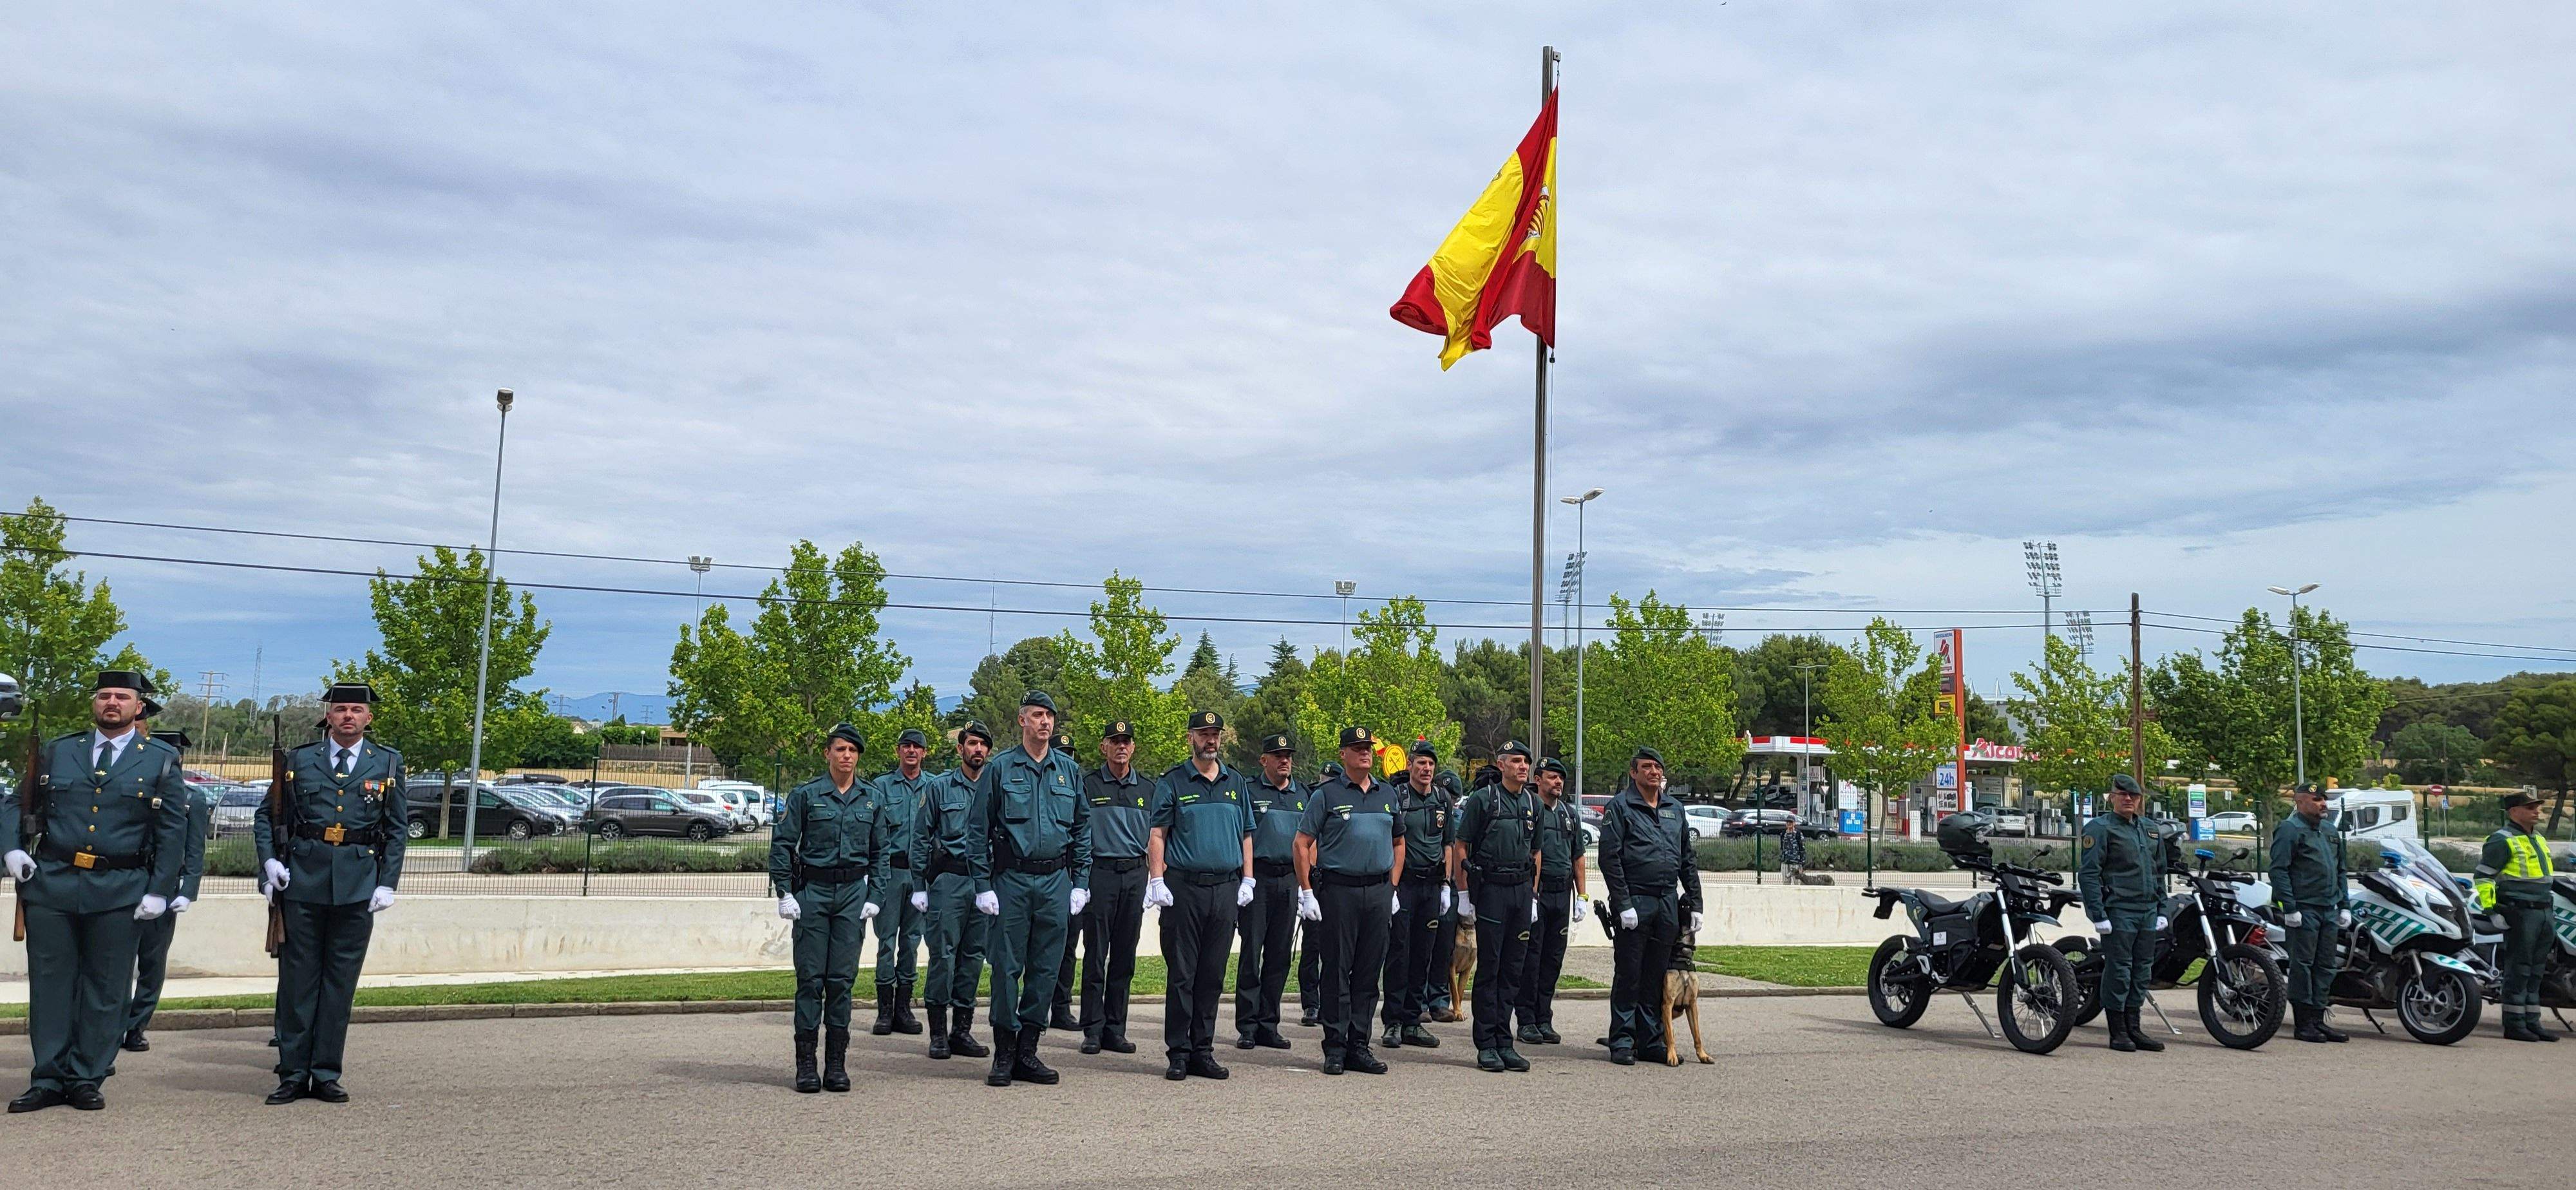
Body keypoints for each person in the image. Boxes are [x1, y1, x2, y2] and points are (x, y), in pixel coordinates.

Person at [3, 670, 189, 1113]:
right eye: (105, 695)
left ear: (138, 707)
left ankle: (86, 1076)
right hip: (53, 883)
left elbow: (172, 830)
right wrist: (12, 849)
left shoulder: (160, 759)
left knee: (106, 988)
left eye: (122, 697)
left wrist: (160, 890)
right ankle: (48, 1078)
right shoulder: (59, 751)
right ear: (95, 703)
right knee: (50, 986)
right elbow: (16, 801)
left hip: (120, 889)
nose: (112, 703)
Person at [254, 681, 408, 1104]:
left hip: (357, 887)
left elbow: (396, 829)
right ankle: (292, 1074)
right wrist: (269, 864)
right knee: (297, 985)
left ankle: (325, 1074)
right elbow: (266, 816)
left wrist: (387, 882)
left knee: (339, 985)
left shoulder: (387, 762)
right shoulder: (299, 760)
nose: (348, 716)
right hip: (303, 883)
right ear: (328, 716)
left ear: (368, 718)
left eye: (356, 710)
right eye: (341, 709)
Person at [965, 691, 1091, 1086]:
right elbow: (977, 830)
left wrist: (1081, 882)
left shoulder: (1068, 771)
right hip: (1012, 881)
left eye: (1050, 716)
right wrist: (983, 885)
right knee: (1006, 967)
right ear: (1022, 720)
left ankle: (1028, 1052)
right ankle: (1004, 1052)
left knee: (1046, 969)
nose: (1045, 722)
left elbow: (1082, 829)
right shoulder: (1001, 768)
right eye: (1037, 715)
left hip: (1055, 882)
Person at [771, 722, 889, 1093]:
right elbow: (783, 844)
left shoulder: (872, 799)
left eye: (853, 751)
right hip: (814, 892)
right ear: (827, 754)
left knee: (841, 982)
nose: (847, 756)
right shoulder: (806, 795)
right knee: (810, 981)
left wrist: (876, 896)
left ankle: (836, 1065)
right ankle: (806, 1065)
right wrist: (785, 892)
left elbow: (881, 853)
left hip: (853, 895)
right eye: (840, 749)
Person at [1146, 710, 1255, 1079]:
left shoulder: (1235, 781)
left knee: (1212, 974)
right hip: (1185, 889)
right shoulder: (1174, 781)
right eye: (1204, 733)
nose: (1211, 740)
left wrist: (1248, 879)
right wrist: (1156, 879)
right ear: (1190, 737)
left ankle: (1203, 1051)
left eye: (1216, 734)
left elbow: (1246, 834)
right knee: (1183, 974)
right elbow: (1158, 833)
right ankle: (1179, 1052)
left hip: (1225, 888)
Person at [1296, 727, 1402, 1075]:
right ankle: (1336, 1046)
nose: (1365, 753)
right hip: (1339, 891)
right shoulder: (1326, 795)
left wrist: (1392, 887)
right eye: (1357, 748)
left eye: (1368, 747)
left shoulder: (1387, 794)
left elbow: (1399, 843)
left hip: (1378, 892)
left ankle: (1359, 1044)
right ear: (1343, 754)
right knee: (1337, 970)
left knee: (1369, 972)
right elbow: (1301, 843)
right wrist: (1307, 891)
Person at [1598, 747, 1702, 1066]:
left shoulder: (1674, 809)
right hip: (1636, 899)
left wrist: (1696, 902)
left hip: (1667, 901)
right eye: (1646, 767)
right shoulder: (1620, 807)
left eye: (1658, 767)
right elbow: (1610, 858)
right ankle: (1622, 1040)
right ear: (1634, 773)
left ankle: (1651, 1040)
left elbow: (1687, 858)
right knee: (1629, 973)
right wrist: (1623, 904)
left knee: (1656, 975)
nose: (1654, 772)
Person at [122, 716, 211, 1055]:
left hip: (167, 886)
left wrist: (188, 891)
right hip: (130, 879)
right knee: (117, 961)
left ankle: (136, 1026)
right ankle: (112, 1025)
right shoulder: (138, 789)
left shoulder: (192, 798)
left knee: (152, 961)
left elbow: (195, 847)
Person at [1453, 741, 1542, 1073]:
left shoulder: (1533, 803)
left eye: (1526, 762)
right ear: (1501, 765)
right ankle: (1487, 1044)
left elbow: (1536, 853)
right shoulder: (1484, 799)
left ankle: (1505, 1041)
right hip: (1492, 890)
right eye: (1516, 761)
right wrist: (1464, 895)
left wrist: (1533, 897)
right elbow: (1462, 845)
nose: (1523, 767)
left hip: (1521, 891)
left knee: (1513, 970)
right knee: (1490, 969)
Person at [911, 722, 995, 1062]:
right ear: (960, 749)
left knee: (973, 957)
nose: (978, 749)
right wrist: (919, 885)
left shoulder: (996, 786)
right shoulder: (940, 787)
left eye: (983, 744)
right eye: (972, 743)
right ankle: (937, 1033)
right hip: (949, 880)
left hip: (984, 884)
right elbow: (920, 836)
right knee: (943, 956)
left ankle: (961, 1031)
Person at [1068, 720, 1149, 1054]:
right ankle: (1092, 1029)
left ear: (1133, 747)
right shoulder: (1088, 785)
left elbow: (1158, 836)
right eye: (1115, 741)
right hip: (1100, 874)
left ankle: (1116, 1029)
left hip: (1135, 874)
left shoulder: (1148, 788)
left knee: (1124, 956)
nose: (1121, 747)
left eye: (1126, 741)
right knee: (1096, 954)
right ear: (1104, 747)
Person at [2077, 773, 2166, 1053]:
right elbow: (2089, 874)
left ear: (2140, 799)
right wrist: (2098, 914)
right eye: (2123, 794)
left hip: (2147, 910)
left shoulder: (2150, 830)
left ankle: (2134, 1028)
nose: (2129, 799)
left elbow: (2159, 873)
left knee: (2142, 970)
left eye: (2134, 795)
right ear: (2112, 797)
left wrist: (2162, 908)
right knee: (2120, 970)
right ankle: (2118, 1031)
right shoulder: (2100, 829)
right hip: (2119, 910)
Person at [1235, 732, 1307, 1050]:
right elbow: (1242, 836)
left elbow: (1309, 842)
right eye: (1278, 756)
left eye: (1288, 756)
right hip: (1259, 879)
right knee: (1252, 953)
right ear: (1264, 760)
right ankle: (1248, 1026)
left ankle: (1269, 1024)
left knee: (1279, 955)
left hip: (1289, 880)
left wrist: (1306, 886)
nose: (1284, 761)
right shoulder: (1250, 791)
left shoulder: (1301, 794)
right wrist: (1245, 879)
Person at [1379, 741, 1454, 1051]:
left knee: (1423, 955)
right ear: (1409, 765)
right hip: (1405, 885)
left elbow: (1448, 844)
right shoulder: (1399, 797)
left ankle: (1413, 1021)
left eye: (1431, 764)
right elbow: (1391, 841)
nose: (1426, 769)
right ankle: (1393, 1022)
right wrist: (1392, 887)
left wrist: (1447, 885)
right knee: (1399, 954)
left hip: (1432, 887)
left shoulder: (1443, 799)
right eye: (1421, 763)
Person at [2268, 781, 2350, 1043]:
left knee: (2326, 965)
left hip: (2329, 908)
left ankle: (2318, 1020)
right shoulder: (2290, 829)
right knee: (2302, 965)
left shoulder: (2329, 830)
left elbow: (2341, 870)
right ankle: (2303, 1024)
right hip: (2304, 908)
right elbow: (2279, 870)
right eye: (2316, 800)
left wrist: (2345, 905)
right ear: (2300, 802)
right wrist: (2290, 908)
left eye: (2324, 799)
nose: (2323, 804)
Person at [867, 728, 936, 1038]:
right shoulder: (881, 786)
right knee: (886, 942)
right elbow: (874, 833)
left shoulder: (934, 787)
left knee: (911, 942)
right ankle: (884, 1011)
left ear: (924, 753)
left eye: (917, 747)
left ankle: (904, 1009)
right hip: (890, 874)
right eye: (906, 746)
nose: (911, 751)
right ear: (898, 751)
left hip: (920, 876)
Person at [2476, 791, 2560, 1042]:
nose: (2537, 811)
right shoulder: (2501, 840)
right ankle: (2514, 1025)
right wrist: (2492, 911)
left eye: (2537, 807)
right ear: (2514, 812)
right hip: (2520, 912)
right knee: (2519, 969)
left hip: (2543, 911)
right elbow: (2483, 878)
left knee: (2536, 971)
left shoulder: (2537, 838)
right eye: (2530, 808)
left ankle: (2532, 1022)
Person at [1777, 816, 1808, 883]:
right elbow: (1782, 847)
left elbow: (1802, 849)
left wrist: (1802, 863)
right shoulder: (1783, 834)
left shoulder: (1798, 834)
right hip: (1785, 862)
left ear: (1794, 823)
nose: (1789, 823)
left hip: (1796, 862)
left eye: (1791, 822)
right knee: (1786, 882)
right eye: (1787, 822)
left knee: (1798, 882)